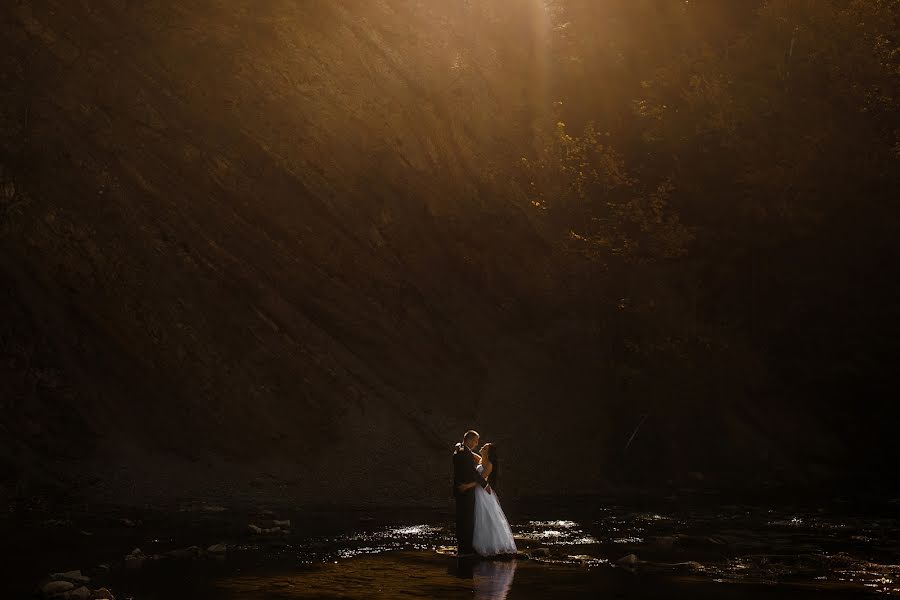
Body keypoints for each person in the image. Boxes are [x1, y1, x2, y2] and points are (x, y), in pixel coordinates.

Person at [471, 443, 516, 557]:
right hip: (478, 491)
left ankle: (489, 545)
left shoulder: (489, 464)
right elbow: (470, 454)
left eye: (484, 448)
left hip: (483, 492)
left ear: (488, 452)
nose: (481, 448)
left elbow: (481, 480)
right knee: (479, 517)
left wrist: (467, 486)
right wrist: (460, 446)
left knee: (485, 518)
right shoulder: (481, 459)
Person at [452, 430, 490, 556]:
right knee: (467, 519)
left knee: (463, 518)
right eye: (475, 441)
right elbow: (472, 473)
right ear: (468, 439)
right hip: (465, 489)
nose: (477, 444)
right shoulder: (465, 453)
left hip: (461, 488)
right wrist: (485, 485)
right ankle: (465, 548)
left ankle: (463, 545)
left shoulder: (461, 449)